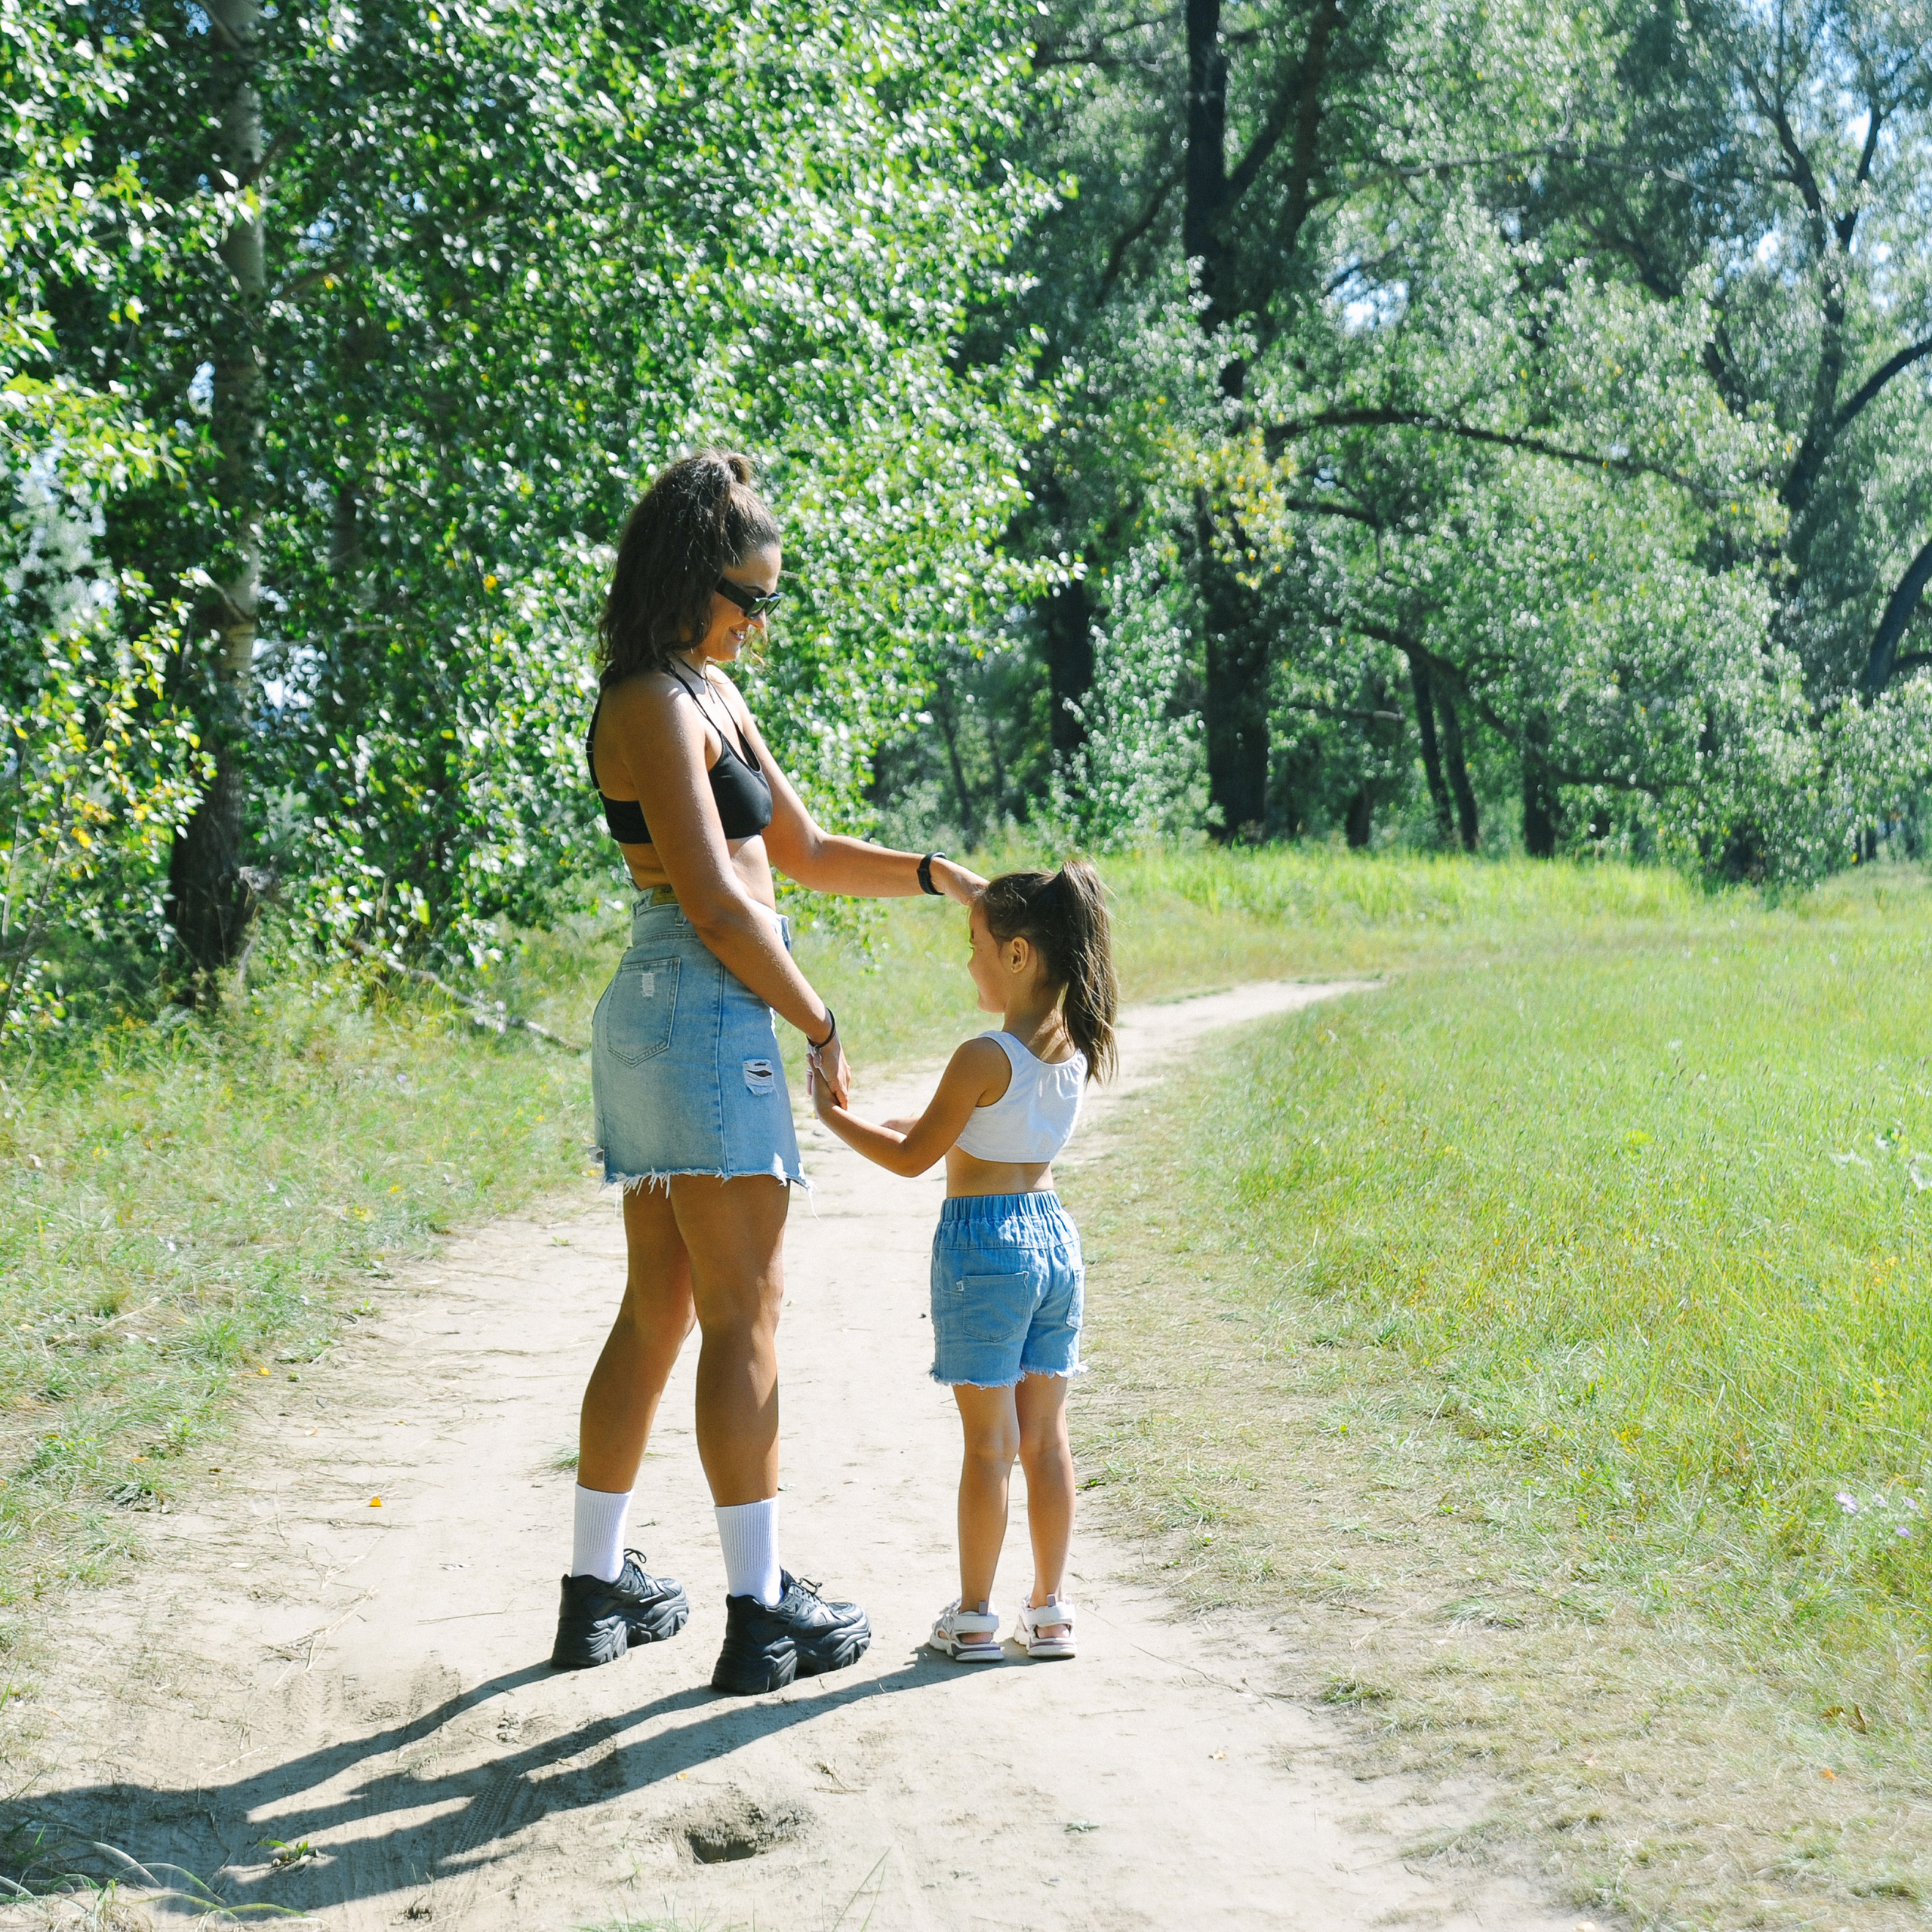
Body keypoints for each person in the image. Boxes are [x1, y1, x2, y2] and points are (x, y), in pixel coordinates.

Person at [555, 449, 984, 1694]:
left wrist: (927, 871)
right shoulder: (646, 700)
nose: (760, 619)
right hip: (704, 1005)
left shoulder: (701, 691)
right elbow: (721, 907)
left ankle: (596, 1588)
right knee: (746, 1314)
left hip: (660, 1017)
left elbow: (795, 848)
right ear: (691, 579)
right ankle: (760, 1614)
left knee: (663, 1309)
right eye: (750, 594)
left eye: (770, 596)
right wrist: (823, 1021)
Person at [810, 862, 1116, 1663]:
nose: (968, 960)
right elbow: (988, 1131)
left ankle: (975, 1615)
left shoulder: (983, 1054)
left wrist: (832, 1116)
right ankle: (1050, 1610)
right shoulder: (1077, 1042)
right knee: (1046, 1440)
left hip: (985, 1247)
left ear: (1019, 954)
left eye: (976, 944)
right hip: (1053, 1240)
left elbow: (915, 1157)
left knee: (989, 1447)